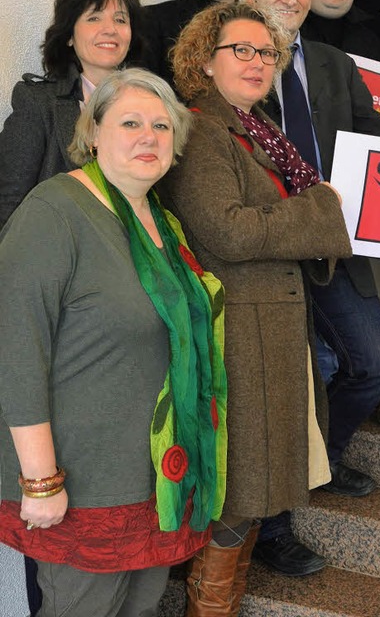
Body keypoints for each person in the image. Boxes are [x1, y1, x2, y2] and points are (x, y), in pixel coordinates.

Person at [0, 68, 227, 617]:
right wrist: (41, 479)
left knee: (143, 609)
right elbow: (15, 350)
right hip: (83, 482)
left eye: (161, 126)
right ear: (93, 132)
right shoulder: (54, 211)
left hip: (158, 478)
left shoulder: (163, 224)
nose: (148, 136)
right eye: (130, 122)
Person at [158, 1, 352, 613]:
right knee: (238, 491)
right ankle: (208, 605)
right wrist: (322, 207)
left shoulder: (258, 126)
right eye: (239, 50)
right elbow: (229, 232)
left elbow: (260, 228)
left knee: (253, 488)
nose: (256, 61)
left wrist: (315, 214)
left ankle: (221, 599)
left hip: (269, 326)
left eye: (266, 52)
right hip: (237, 335)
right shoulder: (201, 130)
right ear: (204, 62)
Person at [243, 0, 380, 574]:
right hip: (265, 251)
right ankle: (272, 528)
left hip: (331, 245)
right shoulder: (236, 61)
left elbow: (376, 132)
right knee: (280, 387)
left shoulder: (335, 62)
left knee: (376, 364)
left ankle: (321, 462)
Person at [0, 0, 146, 230]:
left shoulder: (149, 104)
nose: (110, 29)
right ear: (69, 35)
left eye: (121, 20)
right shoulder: (37, 102)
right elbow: (9, 205)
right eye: (94, 18)